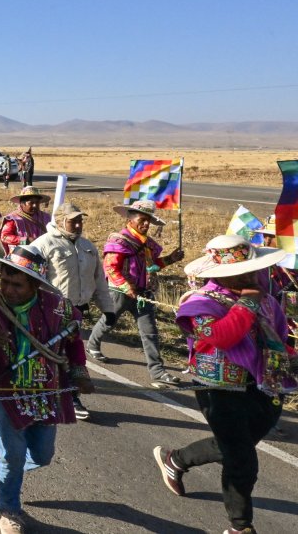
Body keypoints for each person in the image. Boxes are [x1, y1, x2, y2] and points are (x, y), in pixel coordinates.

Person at [153, 236, 293, 534]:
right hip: (218, 390)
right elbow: (222, 337)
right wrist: (247, 302)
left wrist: (289, 363)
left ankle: (175, 459)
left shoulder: (267, 300)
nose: (250, 276)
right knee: (242, 459)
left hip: (264, 384)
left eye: (251, 270)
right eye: (240, 271)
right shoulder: (200, 303)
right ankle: (240, 526)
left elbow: (280, 338)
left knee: (235, 445)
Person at [0, 246, 93, 534]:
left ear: (35, 285)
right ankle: (8, 509)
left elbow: (73, 342)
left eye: (17, 284)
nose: (8, 288)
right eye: (5, 281)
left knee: (43, 455)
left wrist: (79, 373)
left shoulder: (58, 307)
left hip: (45, 391)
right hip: (4, 390)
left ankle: (8, 462)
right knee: (13, 454)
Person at [85, 199, 186, 388]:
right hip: (120, 292)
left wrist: (171, 259)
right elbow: (111, 268)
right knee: (109, 321)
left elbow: (153, 266)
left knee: (150, 332)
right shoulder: (119, 241)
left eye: (149, 220)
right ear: (130, 219)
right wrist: (126, 287)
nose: (146, 224)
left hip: (144, 293)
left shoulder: (148, 244)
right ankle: (92, 344)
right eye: (142, 219)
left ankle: (157, 371)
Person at [31, 202, 114, 421]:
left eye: (80, 220)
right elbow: (29, 278)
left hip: (76, 312)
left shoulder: (88, 246)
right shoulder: (42, 244)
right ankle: (39, 393)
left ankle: (71, 396)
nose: (78, 224)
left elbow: (99, 280)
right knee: (48, 355)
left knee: (72, 355)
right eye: (72, 220)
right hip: (48, 311)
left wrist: (108, 308)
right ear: (59, 221)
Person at [0, 186, 50, 255]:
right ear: (22, 204)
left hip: (42, 255)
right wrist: (25, 240)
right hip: (20, 257)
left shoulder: (46, 217)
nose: (35, 205)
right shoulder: (14, 218)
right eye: (31, 203)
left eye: (37, 203)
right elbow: (4, 237)